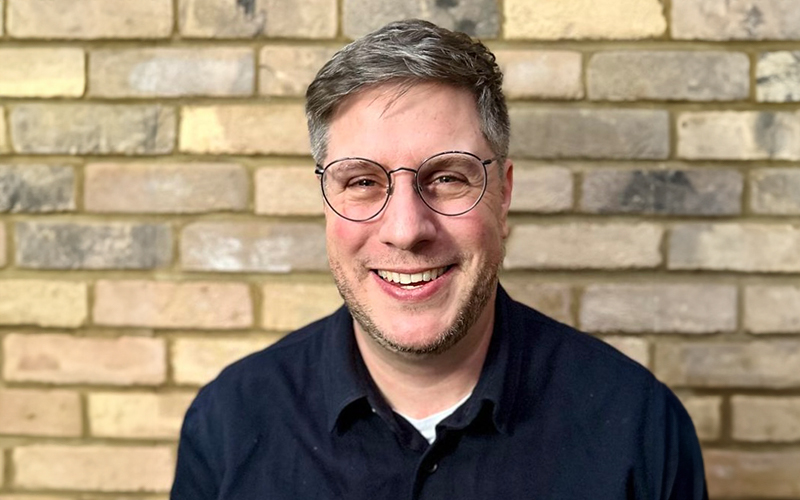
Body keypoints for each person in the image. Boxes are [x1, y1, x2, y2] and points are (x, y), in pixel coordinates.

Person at [171, 19, 708, 499]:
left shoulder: (638, 427)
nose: (406, 230)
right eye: (361, 181)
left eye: (448, 177)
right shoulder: (229, 424)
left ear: (504, 195)